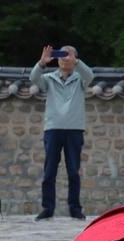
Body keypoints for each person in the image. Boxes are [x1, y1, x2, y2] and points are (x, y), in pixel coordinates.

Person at [29, 44, 95, 220]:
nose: (65, 59)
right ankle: (47, 208)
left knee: (73, 171)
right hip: (53, 128)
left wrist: (77, 62)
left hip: (74, 129)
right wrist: (42, 63)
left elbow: (90, 75)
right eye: (62, 56)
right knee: (49, 171)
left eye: (69, 56)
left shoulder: (80, 79)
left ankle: (75, 208)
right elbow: (33, 78)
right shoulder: (49, 78)